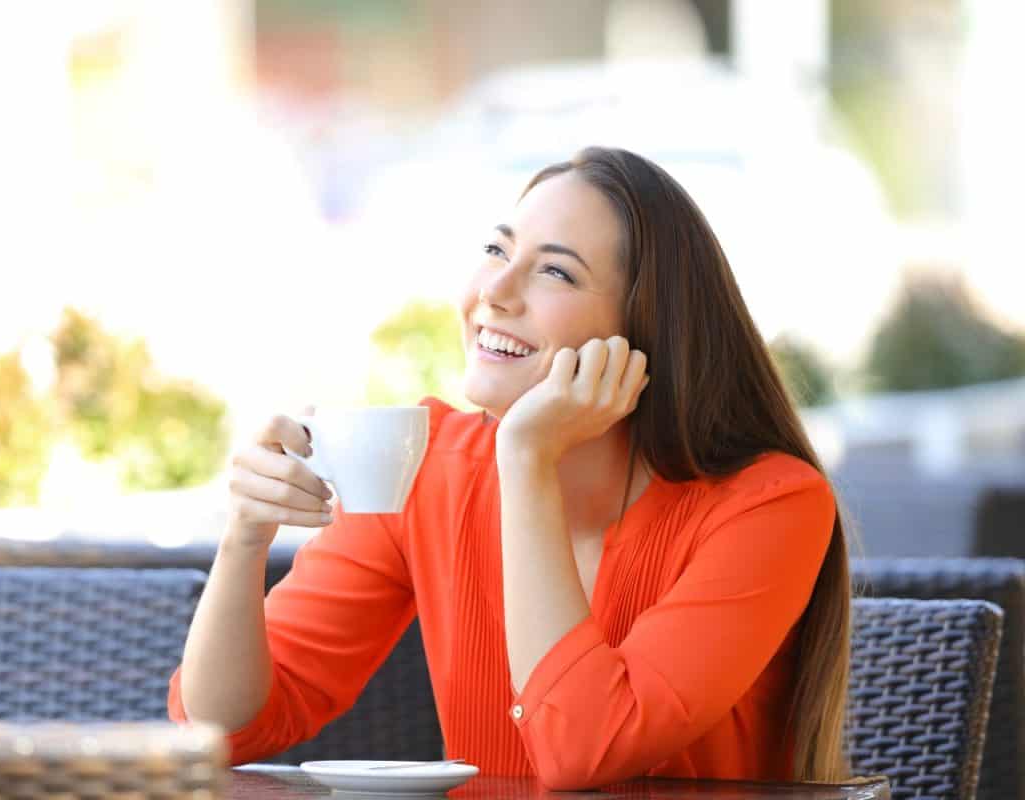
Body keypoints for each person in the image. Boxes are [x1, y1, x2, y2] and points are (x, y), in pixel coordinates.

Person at [169, 147, 851, 790]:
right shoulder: (431, 466)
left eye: (554, 271)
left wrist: (526, 459)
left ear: (645, 328)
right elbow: (220, 731)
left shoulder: (770, 505)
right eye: (497, 249)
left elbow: (586, 750)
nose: (494, 290)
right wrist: (245, 540)